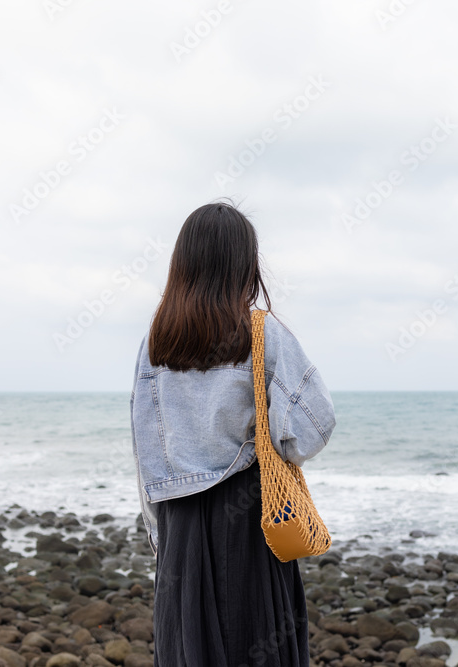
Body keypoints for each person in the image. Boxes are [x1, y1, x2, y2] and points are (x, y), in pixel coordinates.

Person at [129, 201, 336, 666]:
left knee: (188, 650)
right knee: (257, 643)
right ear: (245, 264)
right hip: (249, 516)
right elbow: (313, 427)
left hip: (178, 521)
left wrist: (160, 535)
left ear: (182, 264)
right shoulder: (261, 333)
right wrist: (269, 442)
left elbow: (144, 446)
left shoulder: (156, 340)